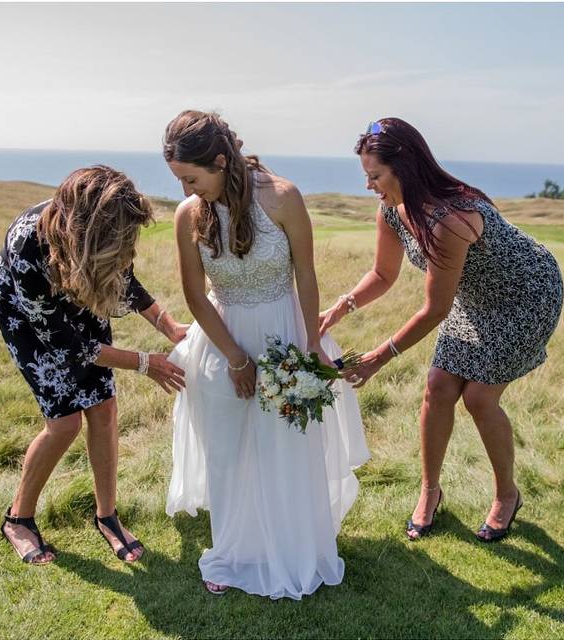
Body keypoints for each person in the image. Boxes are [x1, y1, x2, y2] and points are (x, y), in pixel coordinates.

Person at [320, 118, 563, 543]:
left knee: (479, 397)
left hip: (525, 296)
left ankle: (507, 495)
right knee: (438, 386)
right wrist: (341, 308)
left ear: (404, 166)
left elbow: (435, 310)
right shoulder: (393, 210)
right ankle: (430, 491)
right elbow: (382, 272)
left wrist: (378, 357)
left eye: (375, 175)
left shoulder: (450, 219)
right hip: (474, 297)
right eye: (366, 176)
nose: (369, 185)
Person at [162, 110, 369, 599]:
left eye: (192, 178)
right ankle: (234, 551)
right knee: (229, 450)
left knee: (284, 443)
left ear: (218, 160)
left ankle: (294, 545)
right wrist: (235, 358)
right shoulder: (188, 214)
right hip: (220, 336)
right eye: (179, 182)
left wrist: (311, 344)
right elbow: (194, 296)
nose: (188, 191)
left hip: (284, 330)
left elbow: (307, 276)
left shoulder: (283, 197)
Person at [0, 165, 188, 564]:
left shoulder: (101, 240)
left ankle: (107, 517)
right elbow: (68, 346)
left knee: (104, 409)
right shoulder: (26, 246)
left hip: (82, 290)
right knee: (64, 423)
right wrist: (145, 362)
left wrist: (168, 326)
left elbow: (124, 279)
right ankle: (18, 518)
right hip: (28, 318)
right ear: (87, 228)